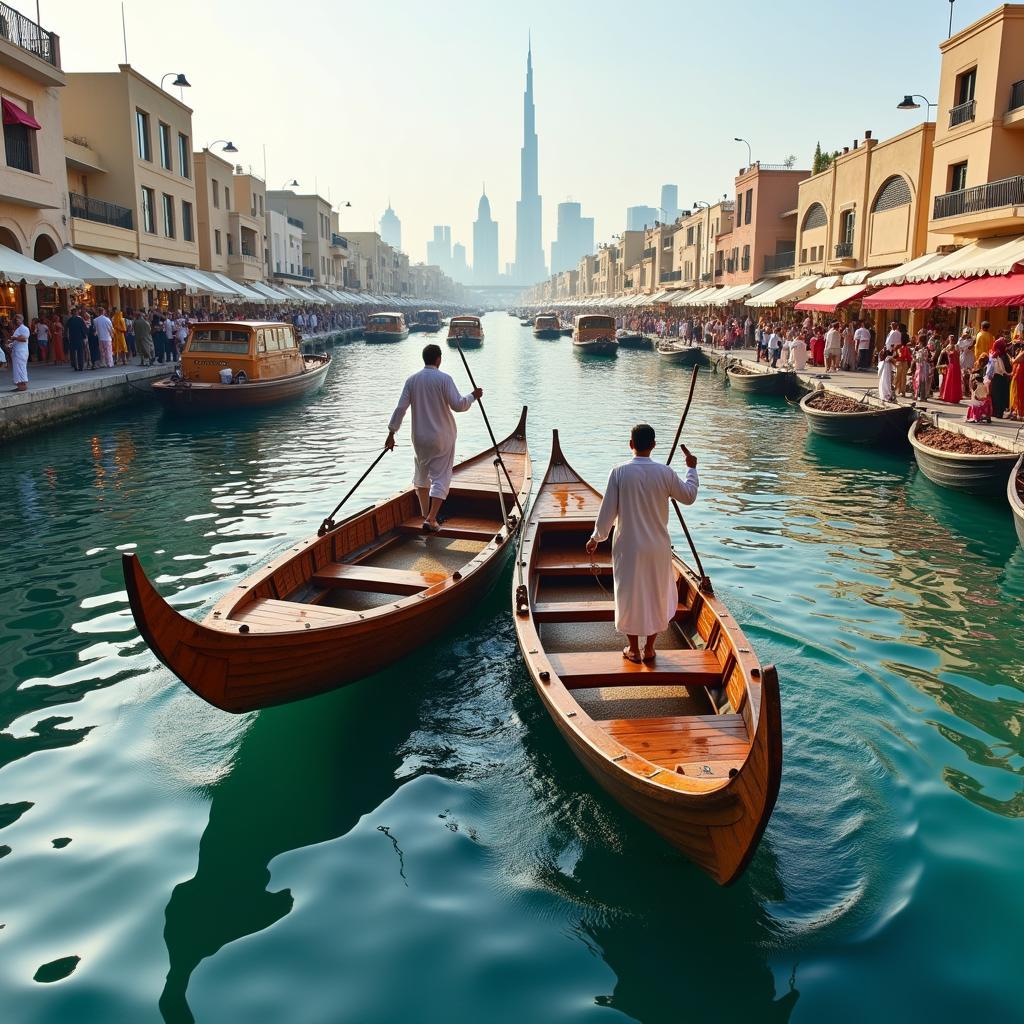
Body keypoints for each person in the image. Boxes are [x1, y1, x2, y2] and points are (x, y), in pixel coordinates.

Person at [585, 423, 699, 664]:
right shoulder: (665, 472)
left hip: (629, 546)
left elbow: (607, 514)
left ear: (631, 444)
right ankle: (650, 648)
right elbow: (689, 496)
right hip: (658, 547)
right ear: (654, 445)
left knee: (630, 595)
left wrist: (596, 538)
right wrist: (691, 469)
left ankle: (633, 649)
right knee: (656, 593)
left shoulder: (619, 472)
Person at [384, 343, 481, 531]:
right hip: (441, 437)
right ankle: (431, 518)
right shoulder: (444, 379)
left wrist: (391, 433)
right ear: (438, 359)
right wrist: (473, 396)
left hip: (419, 438)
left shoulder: (412, 380)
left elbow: (400, 409)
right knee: (441, 477)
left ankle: (425, 515)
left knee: (421, 477)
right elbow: (459, 405)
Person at [986, 338, 1012, 418]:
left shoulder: (992, 354)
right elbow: (1005, 369)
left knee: (995, 395)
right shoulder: (1002, 356)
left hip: (994, 378)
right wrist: (1009, 373)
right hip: (1002, 378)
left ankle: (995, 412)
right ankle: (999, 412)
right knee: (1001, 395)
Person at [939, 336, 963, 404]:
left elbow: (955, 354)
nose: (951, 340)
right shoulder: (948, 347)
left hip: (954, 366)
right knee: (949, 381)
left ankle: (952, 397)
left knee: (953, 381)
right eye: (950, 339)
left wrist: (947, 351)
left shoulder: (956, 346)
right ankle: (949, 397)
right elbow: (942, 354)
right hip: (952, 366)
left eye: (952, 339)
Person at [9, 312, 30, 391]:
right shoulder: (18, 329)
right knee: (17, 369)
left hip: (21, 352)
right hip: (17, 351)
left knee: (21, 368)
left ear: (22, 320)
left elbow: (24, 339)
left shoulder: (24, 328)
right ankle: (19, 386)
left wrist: (14, 338)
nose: (17, 320)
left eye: (18, 319)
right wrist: (12, 344)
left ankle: (22, 386)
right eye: (16, 319)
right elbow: (17, 340)